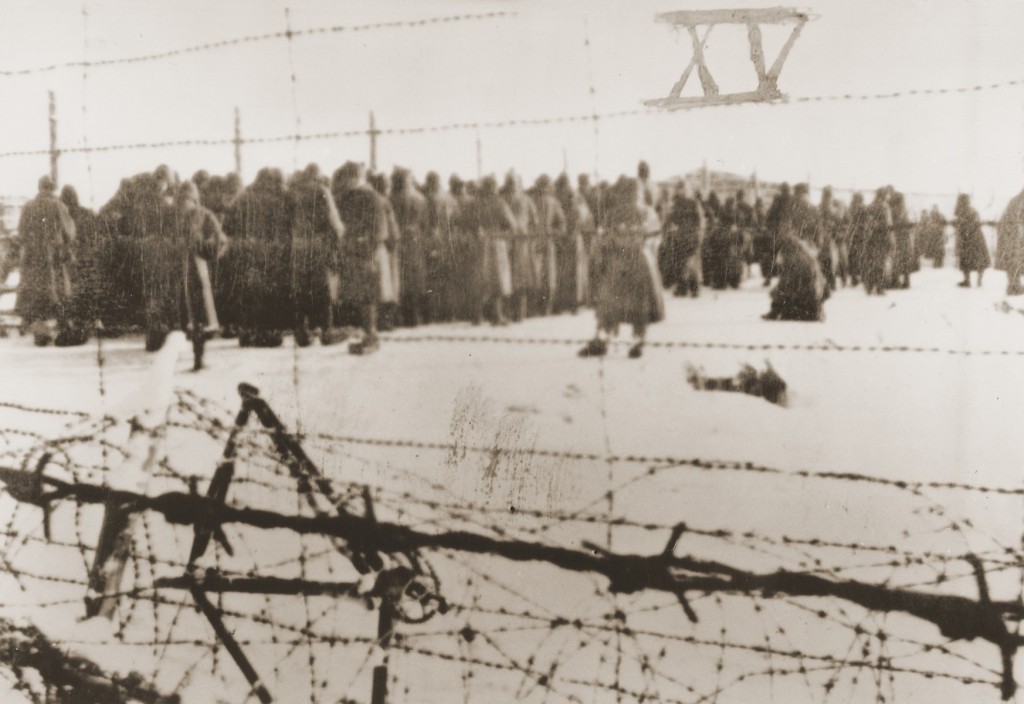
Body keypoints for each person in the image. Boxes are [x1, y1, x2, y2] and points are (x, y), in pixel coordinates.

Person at [140, 181, 228, 370]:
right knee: (199, 315)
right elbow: (220, 240)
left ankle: (164, 360)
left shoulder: (167, 214)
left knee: (175, 314)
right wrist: (206, 252)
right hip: (196, 268)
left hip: (170, 269)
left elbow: (153, 239)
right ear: (195, 195)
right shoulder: (203, 213)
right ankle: (198, 359)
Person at [580, 176, 665, 359]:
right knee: (640, 305)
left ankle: (602, 338)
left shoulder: (612, 213)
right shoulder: (647, 212)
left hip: (617, 263)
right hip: (642, 262)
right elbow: (656, 238)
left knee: (609, 302)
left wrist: (601, 259)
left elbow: (603, 240)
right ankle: (638, 341)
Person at [221, 168, 293, 347]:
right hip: (269, 250)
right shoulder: (278, 199)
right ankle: (267, 333)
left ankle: (246, 333)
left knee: (246, 291)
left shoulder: (242, 196)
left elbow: (226, 226)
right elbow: (285, 226)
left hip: (242, 249)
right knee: (269, 291)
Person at [332, 162, 395, 354]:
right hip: (355, 253)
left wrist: (368, 248)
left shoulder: (371, 197)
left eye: (346, 178)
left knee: (368, 296)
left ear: (355, 178)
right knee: (360, 296)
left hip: (368, 253)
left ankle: (371, 336)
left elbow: (380, 230)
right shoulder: (347, 197)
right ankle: (368, 335)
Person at [15, 176, 78, 346]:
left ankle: (40, 332)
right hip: (53, 255)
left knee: (35, 294)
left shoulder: (28, 206)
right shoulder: (58, 205)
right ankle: (64, 327)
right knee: (57, 292)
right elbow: (69, 231)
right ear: (52, 188)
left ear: (39, 187)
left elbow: (21, 232)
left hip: (32, 257)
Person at [290, 164, 347, 345]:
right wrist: (339, 236)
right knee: (322, 289)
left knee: (300, 289)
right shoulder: (321, 191)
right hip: (318, 244)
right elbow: (333, 220)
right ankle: (327, 331)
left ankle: (301, 331)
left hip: (297, 245)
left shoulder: (292, 193)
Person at [461, 175, 514, 325]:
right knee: (497, 280)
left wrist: (475, 233)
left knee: (480, 280)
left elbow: (464, 222)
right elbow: (510, 224)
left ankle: (477, 316)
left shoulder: (474, 204)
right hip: (496, 243)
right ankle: (497, 316)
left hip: (478, 243)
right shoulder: (500, 203)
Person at [60, 185, 99, 342]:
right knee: (86, 289)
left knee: (73, 290)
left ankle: (77, 323)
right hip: (87, 256)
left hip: (73, 257)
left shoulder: (65, 214)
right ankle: (88, 322)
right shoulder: (87, 213)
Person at [391, 168, 430, 327]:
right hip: (415, 238)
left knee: (401, 275)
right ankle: (414, 315)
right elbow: (425, 223)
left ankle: (401, 315)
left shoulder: (393, 198)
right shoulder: (419, 198)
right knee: (415, 276)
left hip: (399, 238)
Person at [763, 236, 828, 321]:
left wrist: (774, 301)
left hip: (802, 305)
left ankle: (776, 313)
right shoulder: (809, 258)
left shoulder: (792, 261)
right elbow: (825, 289)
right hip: (813, 305)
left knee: (783, 293)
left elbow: (783, 287)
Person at [501, 172, 539, 321]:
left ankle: (520, 313)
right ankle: (512, 313)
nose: (512, 185)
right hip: (509, 243)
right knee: (509, 277)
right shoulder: (504, 200)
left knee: (520, 278)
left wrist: (530, 236)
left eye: (514, 182)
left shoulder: (526, 200)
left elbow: (534, 221)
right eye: (510, 182)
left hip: (521, 243)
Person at [554, 173, 593, 312]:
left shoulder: (575, 204)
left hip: (574, 239)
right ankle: (573, 301)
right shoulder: (564, 203)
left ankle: (576, 302)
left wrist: (572, 235)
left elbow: (581, 221)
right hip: (569, 239)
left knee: (575, 271)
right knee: (569, 271)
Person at [423, 172, 458, 322]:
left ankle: (434, 314)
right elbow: (456, 220)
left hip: (435, 241)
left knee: (434, 279)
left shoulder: (431, 199)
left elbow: (430, 223)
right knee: (449, 279)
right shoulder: (450, 198)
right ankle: (450, 314)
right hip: (450, 241)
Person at [531, 174, 565, 315]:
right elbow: (562, 223)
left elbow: (562, 224)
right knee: (543, 273)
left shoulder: (544, 201)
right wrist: (556, 232)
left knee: (542, 273)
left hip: (540, 239)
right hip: (540, 239)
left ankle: (544, 306)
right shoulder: (544, 201)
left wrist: (555, 232)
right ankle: (544, 306)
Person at [953, 194, 990, 288]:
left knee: (968, 259)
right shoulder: (972, 210)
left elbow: (963, 224)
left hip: (969, 238)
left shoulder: (964, 210)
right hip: (977, 238)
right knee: (978, 260)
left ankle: (968, 280)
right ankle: (977, 280)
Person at [861, 188, 893, 295]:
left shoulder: (869, 206)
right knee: (880, 263)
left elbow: (865, 223)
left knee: (870, 263)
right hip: (881, 239)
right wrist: (890, 240)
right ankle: (880, 288)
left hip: (870, 239)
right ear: (883, 196)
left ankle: (869, 287)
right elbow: (887, 225)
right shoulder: (884, 207)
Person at [759, 184, 791, 287]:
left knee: (771, 254)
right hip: (789, 232)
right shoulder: (792, 201)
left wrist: (767, 226)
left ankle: (768, 278)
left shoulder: (777, 201)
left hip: (777, 232)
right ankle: (786, 279)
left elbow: (769, 215)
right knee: (787, 256)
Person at [995, 189, 1024, 295]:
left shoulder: (1017, 200)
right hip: (1012, 235)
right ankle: (1014, 286)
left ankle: (1014, 285)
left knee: (1014, 260)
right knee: (1014, 260)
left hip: (1012, 235)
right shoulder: (1018, 201)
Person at [889, 191, 917, 289]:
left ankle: (895, 281)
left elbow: (892, 224)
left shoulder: (894, 209)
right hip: (905, 237)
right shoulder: (904, 209)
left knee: (896, 259)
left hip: (898, 237)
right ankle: (906, 281)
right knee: (905, 259)